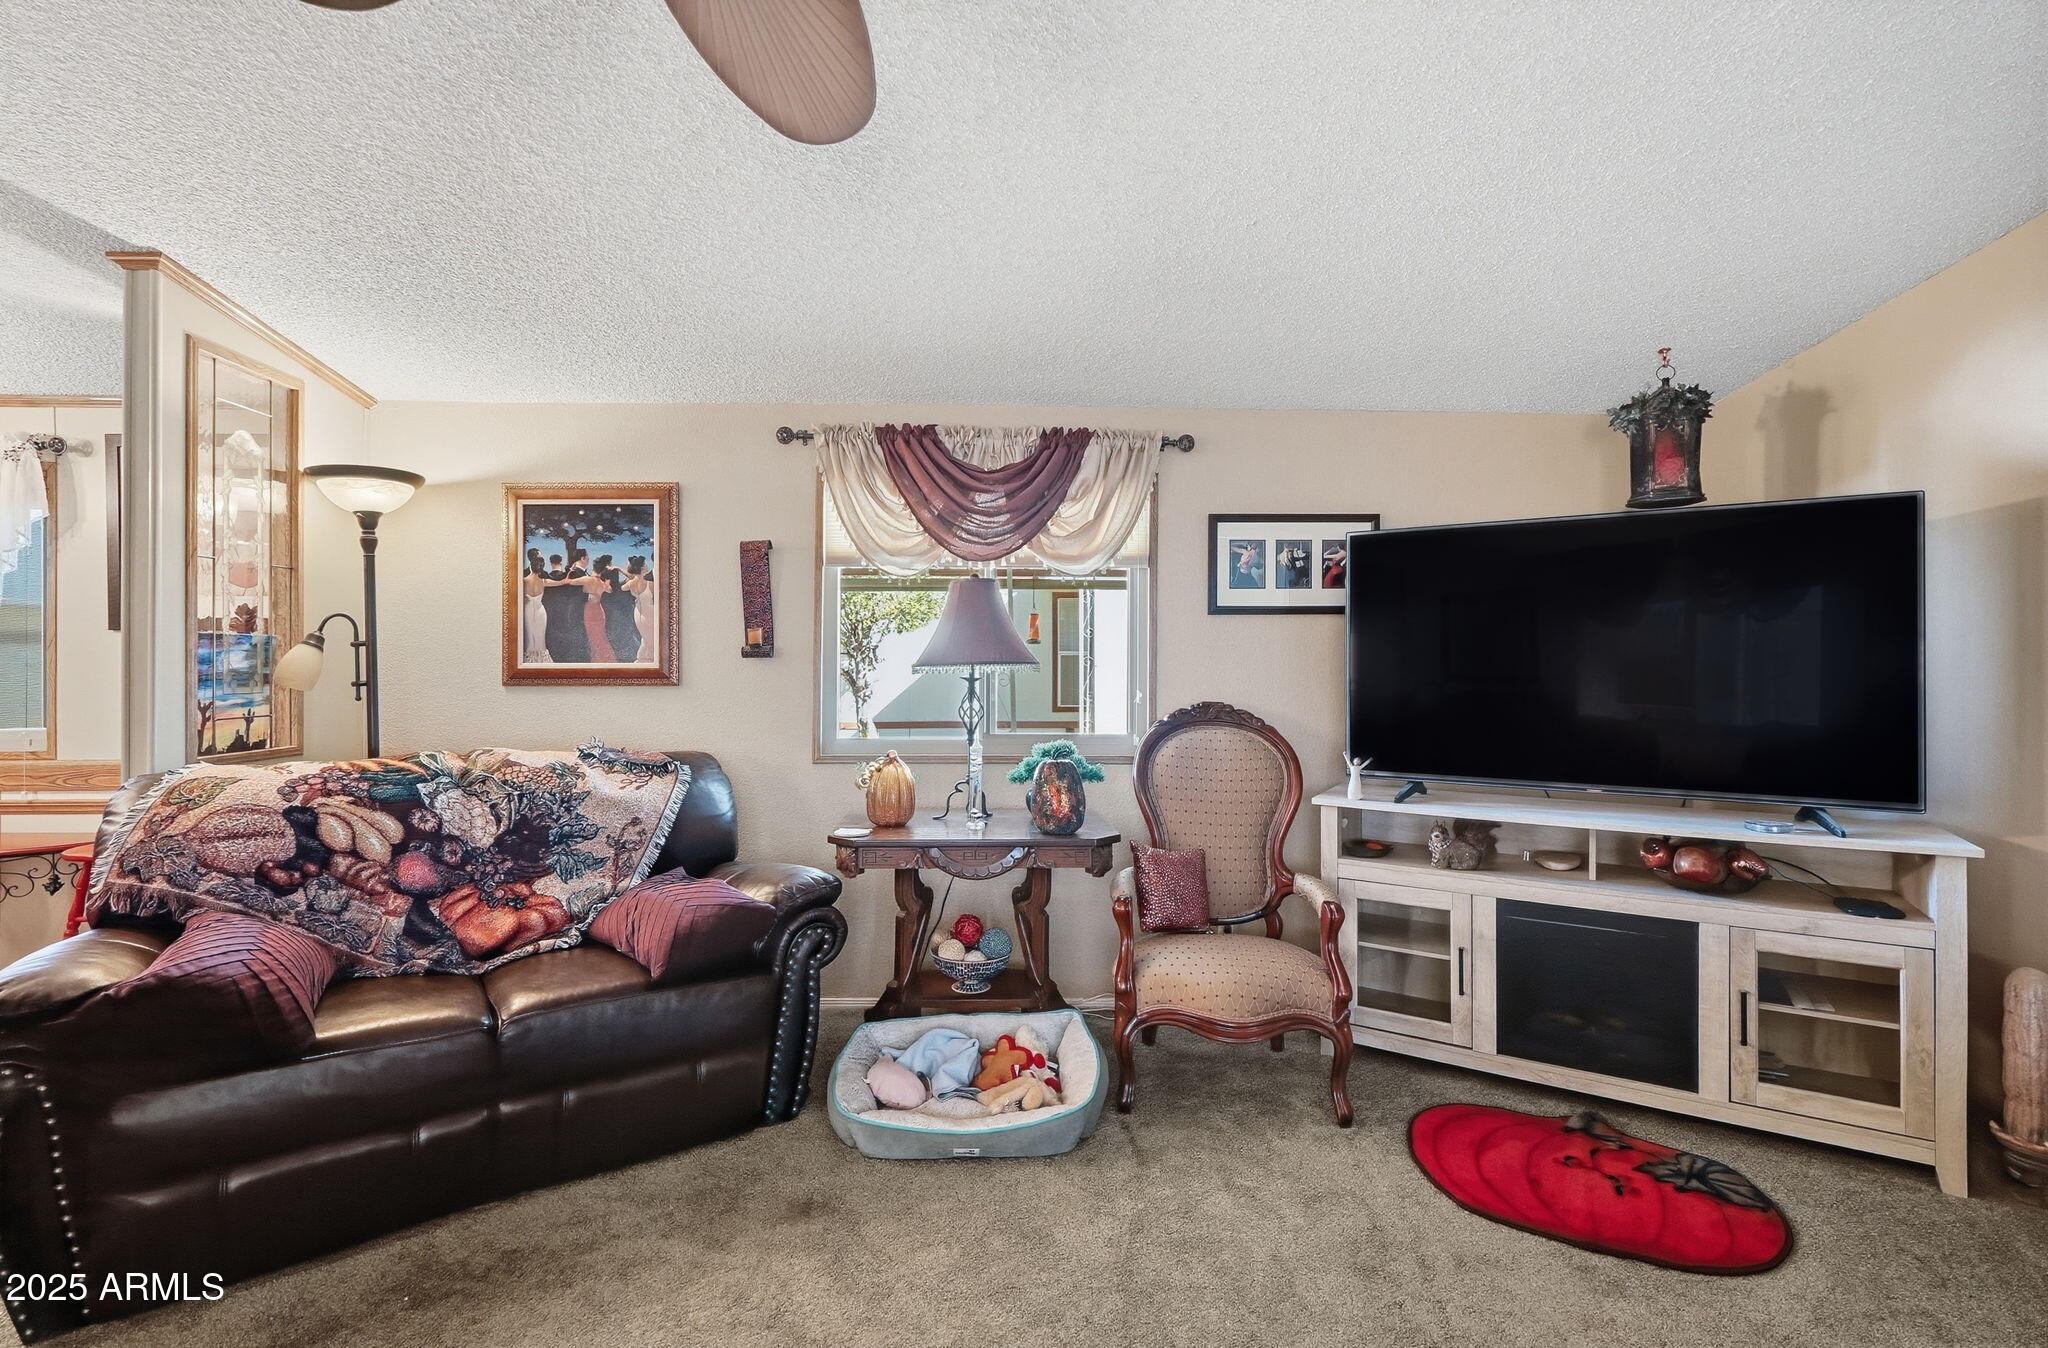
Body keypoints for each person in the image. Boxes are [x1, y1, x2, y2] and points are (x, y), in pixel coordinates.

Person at [540, 550, 588, 662]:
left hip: (550, 609)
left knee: (552, 633)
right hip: (565, 609)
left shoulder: (547, 577)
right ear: (560, 562)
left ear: (551, 563)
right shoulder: (567, 576)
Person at [601, 556, 641, 662]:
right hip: (622, 615)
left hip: (612, 615)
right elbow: (633, 577)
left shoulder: (604, 591)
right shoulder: (623, 586)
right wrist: (618, 568)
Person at [580, 552, 616, 663]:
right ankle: (599, 661)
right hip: (596, 610)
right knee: (598, 638)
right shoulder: (600, 581)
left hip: (592, 611)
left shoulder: (592, 579)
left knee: (597, 638)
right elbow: (609, 590)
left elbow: (609, 590)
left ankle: (602, 661)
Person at [624, 556, 657, 661]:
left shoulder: (632, 583)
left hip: (638, 611)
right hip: (649, 612)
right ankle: (647, 661)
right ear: (642, 568)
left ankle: (643, 660)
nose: (647, 565)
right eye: (645, 564)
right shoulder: (650, 584)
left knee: (647, 639)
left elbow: (623, 588)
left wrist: (631, 579)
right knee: (650, 639)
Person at [521, 548, 549, 662]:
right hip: (528, 610)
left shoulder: (542, 576)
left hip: (539, 611)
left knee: (539, 639)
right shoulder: (522, 574)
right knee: (529, 639)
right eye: (539, 556)